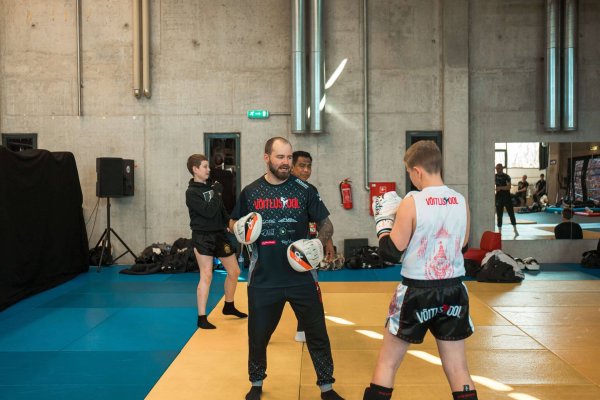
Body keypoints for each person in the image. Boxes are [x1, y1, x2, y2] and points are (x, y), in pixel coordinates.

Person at [229, 137, 343, 400]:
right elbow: (233, 221)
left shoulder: (305, 190)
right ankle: (256, 383)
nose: (286, 162)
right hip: (264, 278)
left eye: (289, 157)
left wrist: (317, 243)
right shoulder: (251, 192)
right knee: (258, 335)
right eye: (280, 157)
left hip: (302, 277)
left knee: (317, 333)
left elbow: (326, 225)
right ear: (266, 158)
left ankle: (327, 387)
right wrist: (239, 229)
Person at [363, 140, 477, 400]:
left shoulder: (413, 201)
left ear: (417, 171)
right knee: (459, 369)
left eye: (409, 173)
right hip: (454, 290)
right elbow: (463, 246)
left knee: (387, 363)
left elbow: (391, 252)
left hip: (417, 291)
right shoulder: (461, 201)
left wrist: (383, 222)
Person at [185, 154, 247, 330]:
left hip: (219, 235)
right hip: (203, 237)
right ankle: (201, 317)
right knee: (206, 274)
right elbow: (208, 211)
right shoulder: (191, 192)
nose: (208, 169)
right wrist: (218, 193)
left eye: (208, 166)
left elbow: (221, 211)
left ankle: (229, 306)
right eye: (204, 166)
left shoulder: (211, 187)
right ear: (195, 169)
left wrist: (231, 225)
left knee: (234, 271)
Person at [291, 150, 336, 343]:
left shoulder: (310, 190)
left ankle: (303, 328)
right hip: (283, 247)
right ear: (291, 167)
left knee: (310, 289)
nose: (306, 170)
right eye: (301, 166)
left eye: (309, 166)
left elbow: (321, 219)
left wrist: (328, 243)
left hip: (307, 249)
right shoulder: (281, 188)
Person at [495, 163, 518, 237]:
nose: (497, 170)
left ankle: (515, 229)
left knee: (511, 213)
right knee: (499, 215)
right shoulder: (494, 176)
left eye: (498, 168)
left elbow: (508, 187)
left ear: (502, 168)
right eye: (496, 168)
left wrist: (500, 188)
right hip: (498, 197)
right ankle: (499, 231)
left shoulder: (507, 177)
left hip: (506, 197)